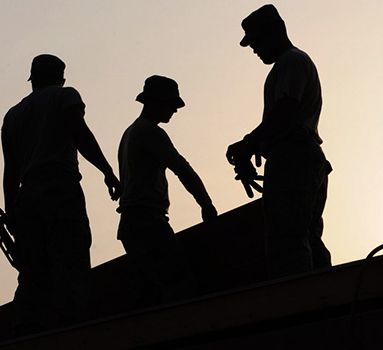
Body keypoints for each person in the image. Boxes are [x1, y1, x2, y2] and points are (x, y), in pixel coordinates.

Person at [1, 54, 121, 335]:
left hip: (26, 197)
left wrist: (11, 211)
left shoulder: (12, 115)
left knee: (32, 269)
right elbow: (80, 134)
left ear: (33, 80)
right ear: (61, 78)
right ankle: (73, 327)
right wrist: (107, 171)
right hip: (59, 189)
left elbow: (10, 170)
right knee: (71, 257)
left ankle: (26, 327)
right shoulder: (65, 96)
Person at [227, 4, 332, 278]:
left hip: (294, 160)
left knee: (288, 243)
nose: (254, 49)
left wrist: (249, 144)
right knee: (307, 238)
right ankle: (326, 300)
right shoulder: (287, 65)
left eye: (257, 42)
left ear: (275, 32)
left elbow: (286, 109)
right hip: (301, 159)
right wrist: (255, 148)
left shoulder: (291, 61)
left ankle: (300, 306)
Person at [117, 75, 217, 307]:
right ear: (154, 102)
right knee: (179, 284)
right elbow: (181, 168)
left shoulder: (129, 133)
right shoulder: (150, 132)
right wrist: (206, 203)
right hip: (146, 222)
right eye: (171, 104)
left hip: (132, 224)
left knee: (151, 293)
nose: (174, 110)